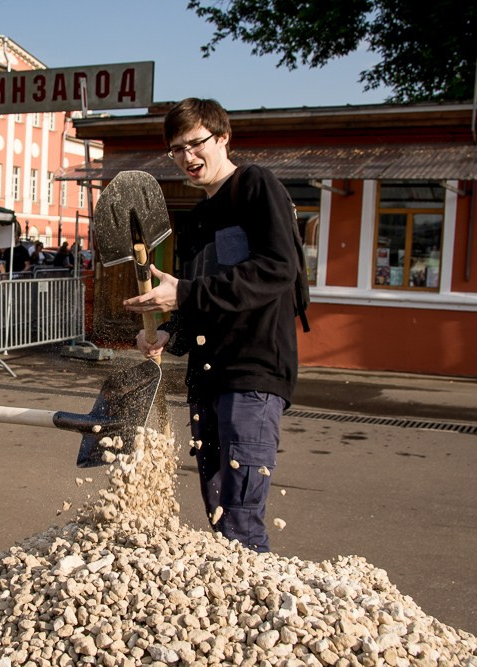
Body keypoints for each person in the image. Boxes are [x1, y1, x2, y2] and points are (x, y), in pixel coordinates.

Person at [123, 98, 301, 553]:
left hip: (253, 370)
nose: (187, 157)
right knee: (219, 512)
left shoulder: (255, 186)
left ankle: (257, 595)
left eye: (195, 143)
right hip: (207, 378)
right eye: (176, 149)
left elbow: (278, 268)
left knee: (241, 518)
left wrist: (183, 294)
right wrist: (171, 334)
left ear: (223, 138)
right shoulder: (197, 217)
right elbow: (198, 297)